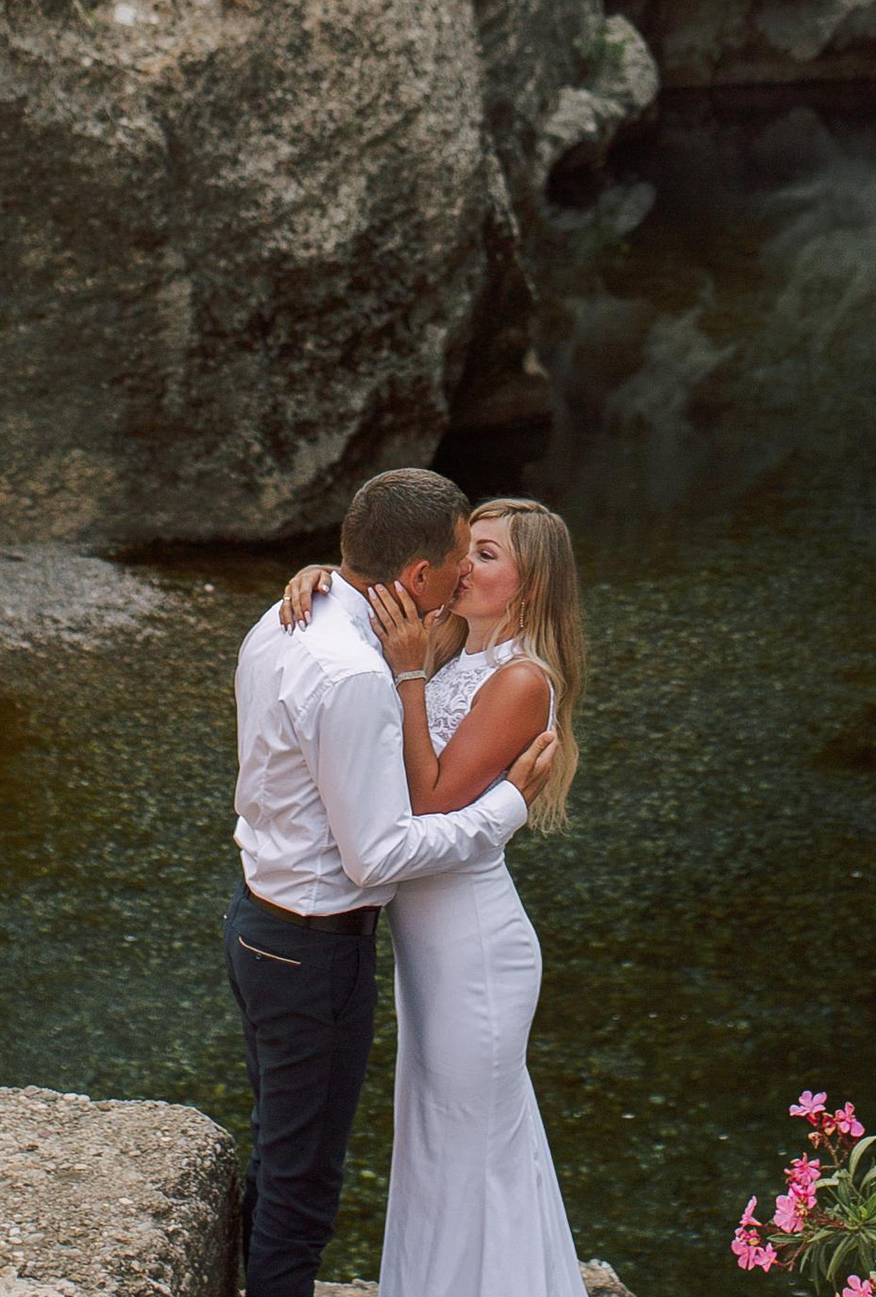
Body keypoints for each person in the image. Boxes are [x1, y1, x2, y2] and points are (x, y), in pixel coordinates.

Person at [230, 468, 559, 1297]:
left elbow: (424, 800)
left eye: (485, 554)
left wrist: (373, 629)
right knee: (423, 1147)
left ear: (530, 587)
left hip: (469, 943)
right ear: (421, 577)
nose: (464, 569)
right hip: (377, 941)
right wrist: (327, 578)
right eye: (462, 552)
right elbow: (386, 834)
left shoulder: (505, 673)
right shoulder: (428, 642)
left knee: (468, 1147)